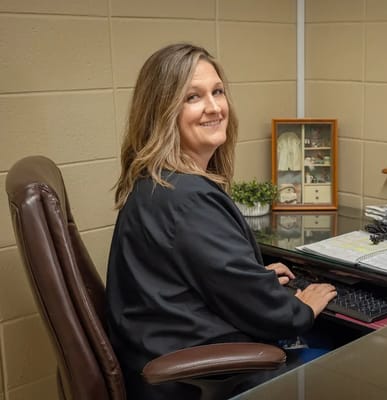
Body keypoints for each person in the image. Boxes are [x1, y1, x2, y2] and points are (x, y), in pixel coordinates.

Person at [105, 43, 337, 400]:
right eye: (193, 98)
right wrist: (302, 307)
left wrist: (251, 278)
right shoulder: (187, 198)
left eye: (217, 92)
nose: (214, 107)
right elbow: (272, 315)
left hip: (160, 353)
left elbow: (193, 274)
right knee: (348, 353)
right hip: (192, 378)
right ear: (161, 112)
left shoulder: (159, 182)